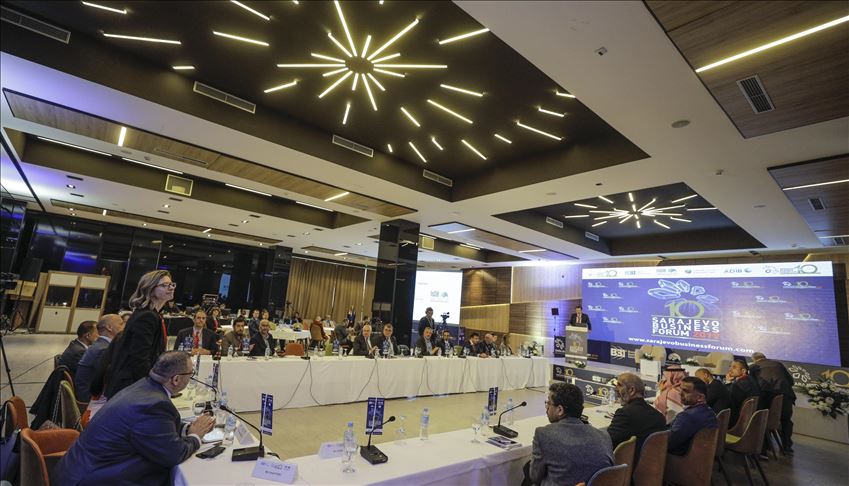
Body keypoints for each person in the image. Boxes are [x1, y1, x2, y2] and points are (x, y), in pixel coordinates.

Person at [55, 351, 215, 486]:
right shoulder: (154, 405)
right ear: (176, 379)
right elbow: (173, 454)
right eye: (191, 374)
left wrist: (188, 428)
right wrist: (195, 436)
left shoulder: (145, 386)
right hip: (92, 478)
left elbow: (156, 428)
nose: (191, 377)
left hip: (80, 468)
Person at [523, 382, 613, 486]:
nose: (546, 407)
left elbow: (534, 477)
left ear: (560, 410)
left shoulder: (543, 434)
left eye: (548, 403)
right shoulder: (604, 436)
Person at [106, 270, 174, 398]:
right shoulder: (147, 316)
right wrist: (150, 388)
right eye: (164, 285)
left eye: (171, 284)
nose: (170, 288)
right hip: (131, 386)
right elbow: (139, 358)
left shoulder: (150, 314)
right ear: (150, 289)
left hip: (133, 384)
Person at [608, 373, 666, 455]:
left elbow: (607, 442)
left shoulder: (625, 414)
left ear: (631, 390)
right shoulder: (659, 417)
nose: (615, 389)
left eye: (619, 385)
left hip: (627, 462)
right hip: (652, 461)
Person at [750, 352, 796, 452]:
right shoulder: (778, 364)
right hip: (785, 395)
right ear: (765, 357)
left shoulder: (753, 367)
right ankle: (787, 445)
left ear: (753, 359)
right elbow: (791, 381)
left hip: (766, 396)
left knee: (764, 420)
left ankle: (766, 445)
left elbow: (752, 385)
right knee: (786, 421)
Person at [75, 314, 123, 403]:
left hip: (88, 393)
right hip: (90, 399)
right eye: (121, 324)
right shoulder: (104, 349)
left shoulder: (100, 345)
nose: (124, 327)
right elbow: (108, 379)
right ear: (109, 327)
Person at [667, 377, 718, 455]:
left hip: (682, 458)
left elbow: (668, 443)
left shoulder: (687, 417)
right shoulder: (709, 411)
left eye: (685, 391)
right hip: (703, 456)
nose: (680, 393)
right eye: (681, 389)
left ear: (700, 397)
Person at [726, 358, 761, 429]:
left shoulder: (739, 384)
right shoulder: (750, 379)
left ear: (743, 371)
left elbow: (729, 400)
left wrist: (728, 383)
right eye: (730, 366)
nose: (730, 369)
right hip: (751, 418)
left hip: (738, 421)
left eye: (734, 367)